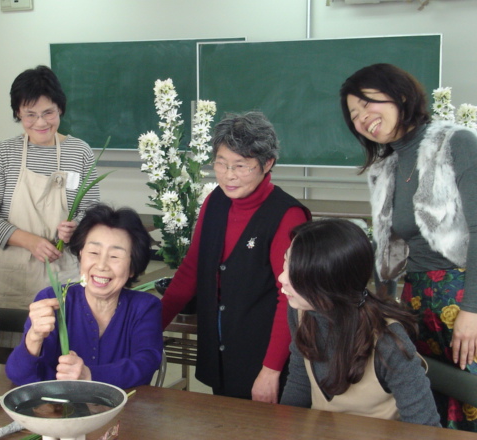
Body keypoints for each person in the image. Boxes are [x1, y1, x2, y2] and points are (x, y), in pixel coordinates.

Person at [340, 63, 477, 430]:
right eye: (353, 114)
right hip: (418, 302)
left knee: (472, 402)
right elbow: (387, 249)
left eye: (367, 103)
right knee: (434, 404)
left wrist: (472, 310)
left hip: (465, 295)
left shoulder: (457, 143)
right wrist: (383, 312)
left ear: (401, 95)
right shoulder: (385, 167)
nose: (362, 118)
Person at [160, 112, 310, 401]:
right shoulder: (215, 201)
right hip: (218, 346)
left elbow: (290, 300)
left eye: (240, 166)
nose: (228, 175)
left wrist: (271, 370)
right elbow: (192, 269)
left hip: (264, 354)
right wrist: (150, 328)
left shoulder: (287, 215)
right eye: (221, 163)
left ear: (267, 163)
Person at [279, 219, 440, 426]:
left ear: (329, 283)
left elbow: (425, 427)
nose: (282, 278)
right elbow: (299, 382)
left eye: (294, 271)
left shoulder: (388, 341)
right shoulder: (301, 311)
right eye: (286, 262)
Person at [0, 65, 100, 310]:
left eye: (48, 113)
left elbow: (91, 210)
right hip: (8, 276)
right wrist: (29, 241)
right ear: (18, 113)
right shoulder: (2, 153)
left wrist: (77, 227)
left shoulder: (79, 152)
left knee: (62, 333)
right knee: (9, 335)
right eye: (30, 114)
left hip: (62, 272)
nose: (41, 122)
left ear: (60, 108)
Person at [5, 204, 163, 390]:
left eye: (115, 256)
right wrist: (34, 337)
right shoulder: (53, 299)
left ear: (132, 268)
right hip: (56, 405)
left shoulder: (144, 307)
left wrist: (89, 375)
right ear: (81, 255)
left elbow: (146, 364)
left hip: (123, 407)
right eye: (94, 253)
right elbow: (19, 376)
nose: (101, 265)